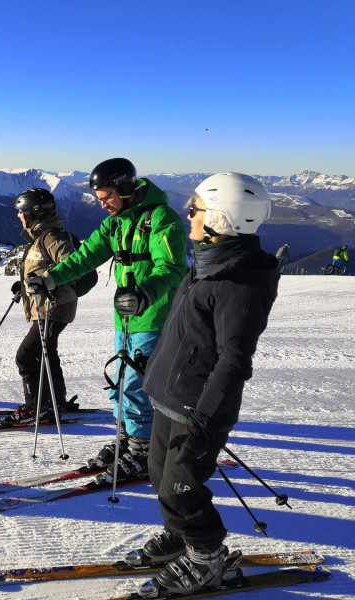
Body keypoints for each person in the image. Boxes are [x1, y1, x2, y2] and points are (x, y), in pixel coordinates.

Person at [126, 173, 278, 598]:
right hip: (169, 397)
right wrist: (155, 365)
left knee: (182, 487)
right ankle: (181, 536)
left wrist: (205, 423)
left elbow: (233, 361)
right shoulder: (210, 263)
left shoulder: (238, 284)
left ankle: (206, 558)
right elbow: (186, 333)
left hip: (199, 411)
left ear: (221, 221)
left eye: (194, 208)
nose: (186, 213)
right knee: (161, 478)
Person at [26, 158, 187, 479]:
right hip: (126, 317)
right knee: (120, 382)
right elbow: (86, 257)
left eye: (107, 197)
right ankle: (127, 439)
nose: (103, 205)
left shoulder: (161, 219)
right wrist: (50, 279)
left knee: (136, 385)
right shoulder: (115, 223)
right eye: (98, 199)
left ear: (126, 188)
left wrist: (145, 294)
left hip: (153, 316)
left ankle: (143, 449)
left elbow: (171, 268)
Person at [1, 188, 82, 425]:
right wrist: (26, 285)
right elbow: (42, 268)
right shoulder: (41, 236)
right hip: (49, 307)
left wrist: (46, 283)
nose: (18, 216)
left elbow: (73, 266)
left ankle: (35, 407)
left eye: (21, 212)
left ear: (32, 213)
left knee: (26, 356)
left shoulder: (51, 238)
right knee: (47, 354)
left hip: (52, 308)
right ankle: (56, 401)